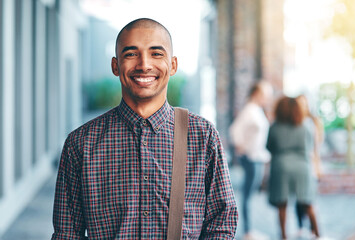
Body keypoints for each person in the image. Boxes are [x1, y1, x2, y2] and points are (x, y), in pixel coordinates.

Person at [51, 18, 238, 239]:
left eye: (156, 54)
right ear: (115, 65)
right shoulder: (81, 143)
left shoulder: (202, 135)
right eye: (131, 54)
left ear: (173, 65)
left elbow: (222, 221)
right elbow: (66, 233)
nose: (144, 65)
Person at [266, 96, 320, 240]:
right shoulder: (305, 126)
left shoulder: (274, 127)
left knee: (281, 204)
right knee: (307, 201)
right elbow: (310, 146)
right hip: (302, 166)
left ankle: (283, 235)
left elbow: (269, 147)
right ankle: (317, 234)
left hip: (281, 166)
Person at [229, 81, 273, 240]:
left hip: (257, 157)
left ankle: (249, 230)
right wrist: (240, 146)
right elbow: (235, 130)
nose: (267, 98)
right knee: (247, 196)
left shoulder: (256, 110)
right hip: (251, 158)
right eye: (265, 94)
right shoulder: (249, 110)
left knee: (250, 196)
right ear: (256, 93)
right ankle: (248, 231)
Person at [295, 94, 324, 236]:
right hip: (298, 165)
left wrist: (317, 167)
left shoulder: (313, 122)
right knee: (299, 198)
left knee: (309, 198)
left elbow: (316, 147)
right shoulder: (294, 121)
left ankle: (315, 231)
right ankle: (300, 227)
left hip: (310, 164)